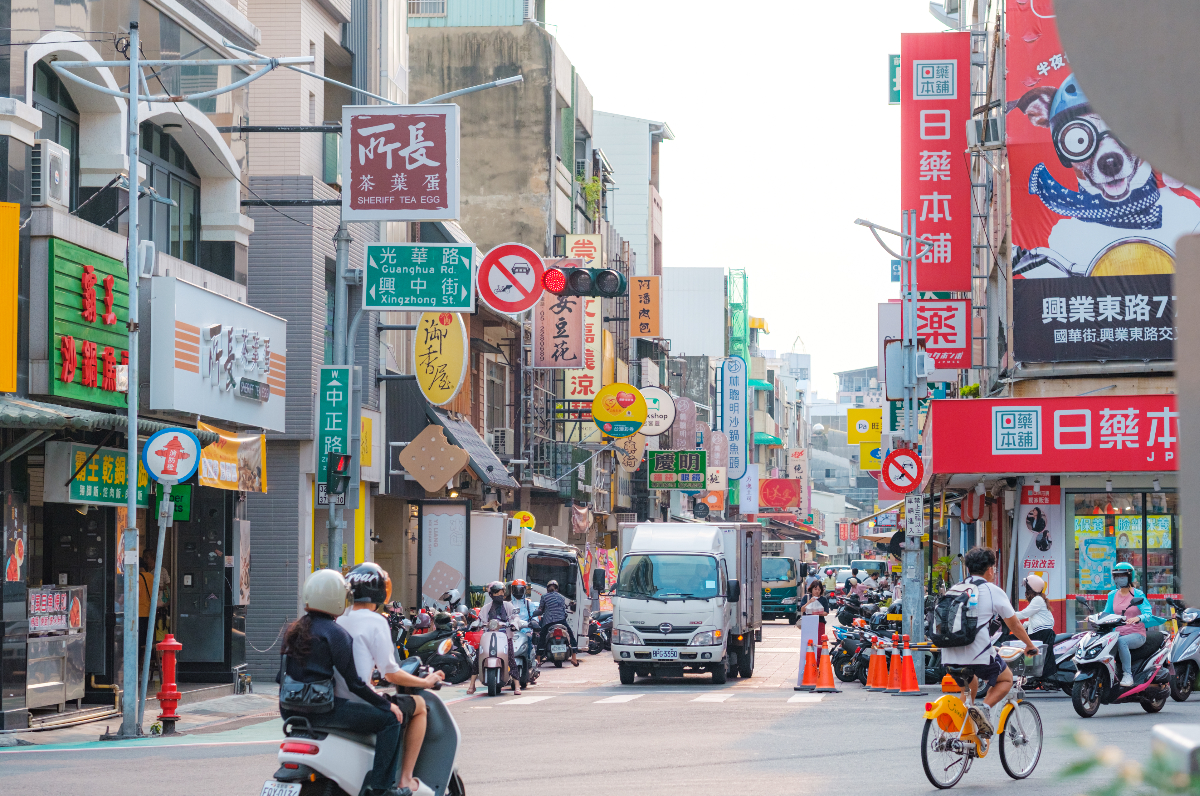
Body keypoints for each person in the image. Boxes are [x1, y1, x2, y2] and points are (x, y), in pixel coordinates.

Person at [278, 569, 407, 796]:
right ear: (337, 599)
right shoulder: (335, 633)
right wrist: (387, 705)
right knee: (390, 721)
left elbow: (281, 677)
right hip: (323, 710)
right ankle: (382, 788)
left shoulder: (294, 630)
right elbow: (355, 683)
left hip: (289, 712)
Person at [340, 563, 444, 795]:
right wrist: (426, 682)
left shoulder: (340, 618)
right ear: (379, 591)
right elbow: (391, 672)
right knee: (418, 707)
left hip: (338, 702)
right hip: (360, 703)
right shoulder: (376, 621)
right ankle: (404, 779)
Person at [940, 547, 1038, 739]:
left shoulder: (955, 589)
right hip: (978, 654)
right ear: (990, 569)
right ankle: (984, 709)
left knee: (970, 687)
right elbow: (1014, 623)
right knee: (1006, 679)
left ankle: (962, 734)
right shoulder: (992, 590)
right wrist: (1029, 645)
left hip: (949, 654)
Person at [1103, 561, 1166, 687]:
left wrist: (1138, 618)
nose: (1120, 579)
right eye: (1117, 577)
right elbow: (1106, 613)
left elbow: (1147, 613)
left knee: (1122, 642)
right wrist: (1094, 617)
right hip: (1117, 633)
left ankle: (1128, 675)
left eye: (1123, 576)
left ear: (1130, 577)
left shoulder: (1137, 594)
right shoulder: (1112, 595)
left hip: (1136, 634)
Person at [467, 581, 523, 695]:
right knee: (478, 657)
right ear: (491, 594)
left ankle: (517, 685)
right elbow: (480, 620)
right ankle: (472, 685)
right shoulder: (486, 608)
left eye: (502, 592)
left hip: (505, 636)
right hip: (488, 636)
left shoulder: (508, 606)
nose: (500, 595)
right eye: (497, 593)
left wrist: (513, 624)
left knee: (511, 658)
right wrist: (476, 625)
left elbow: (515, 617)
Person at [1010, 573, 1057, 679]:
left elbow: (1024, 614)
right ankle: (1030, 675)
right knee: (1029, 650)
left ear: (1032, 589)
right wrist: (1024, 625)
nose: (1025, 591)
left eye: (1027, 588)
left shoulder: (1037, 600)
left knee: (1020, 644)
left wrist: (1007, 615)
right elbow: (1033, 619)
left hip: (1041, 633)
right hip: (1042, 632)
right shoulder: (1039, 600)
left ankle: (1029, 675)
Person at [534, 580, 579, 667]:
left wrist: (536, 612)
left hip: (548, 622)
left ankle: (538, 659)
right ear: (557, 589)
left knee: (542, 638)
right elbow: (563, 610)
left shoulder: (544, 597)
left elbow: (541, 609)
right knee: (571, 636)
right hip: (561, 621)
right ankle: (574, 658)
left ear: (547, 588)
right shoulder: (561, 597)